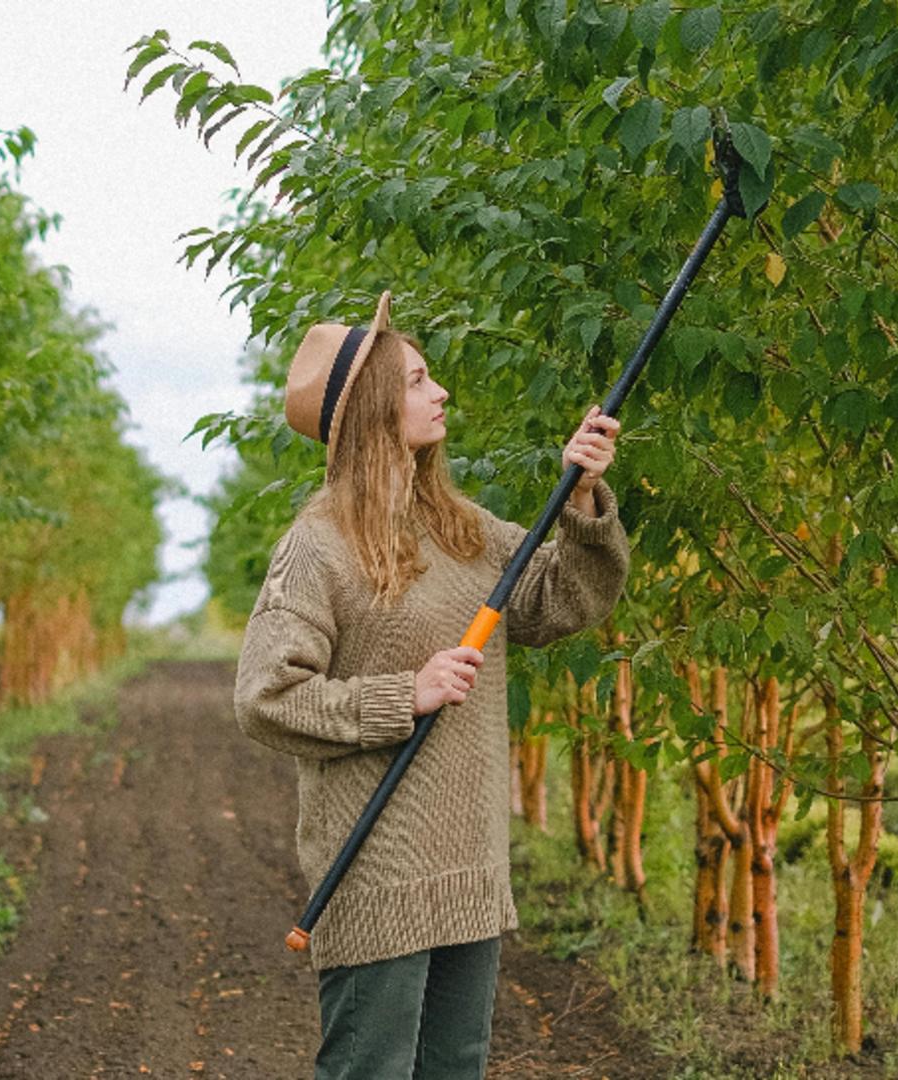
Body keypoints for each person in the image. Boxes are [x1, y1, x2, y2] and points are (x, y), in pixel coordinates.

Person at [233, 292, 630, 1079]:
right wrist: (399, 695)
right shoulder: (317, 546)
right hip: (376, 873)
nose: (440, 391)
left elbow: (564, 597)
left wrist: (581, 499)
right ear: (376, 407)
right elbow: (265, 698)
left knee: (458, 1067)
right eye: (417, 381)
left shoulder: (461, 529)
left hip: (469, 867)